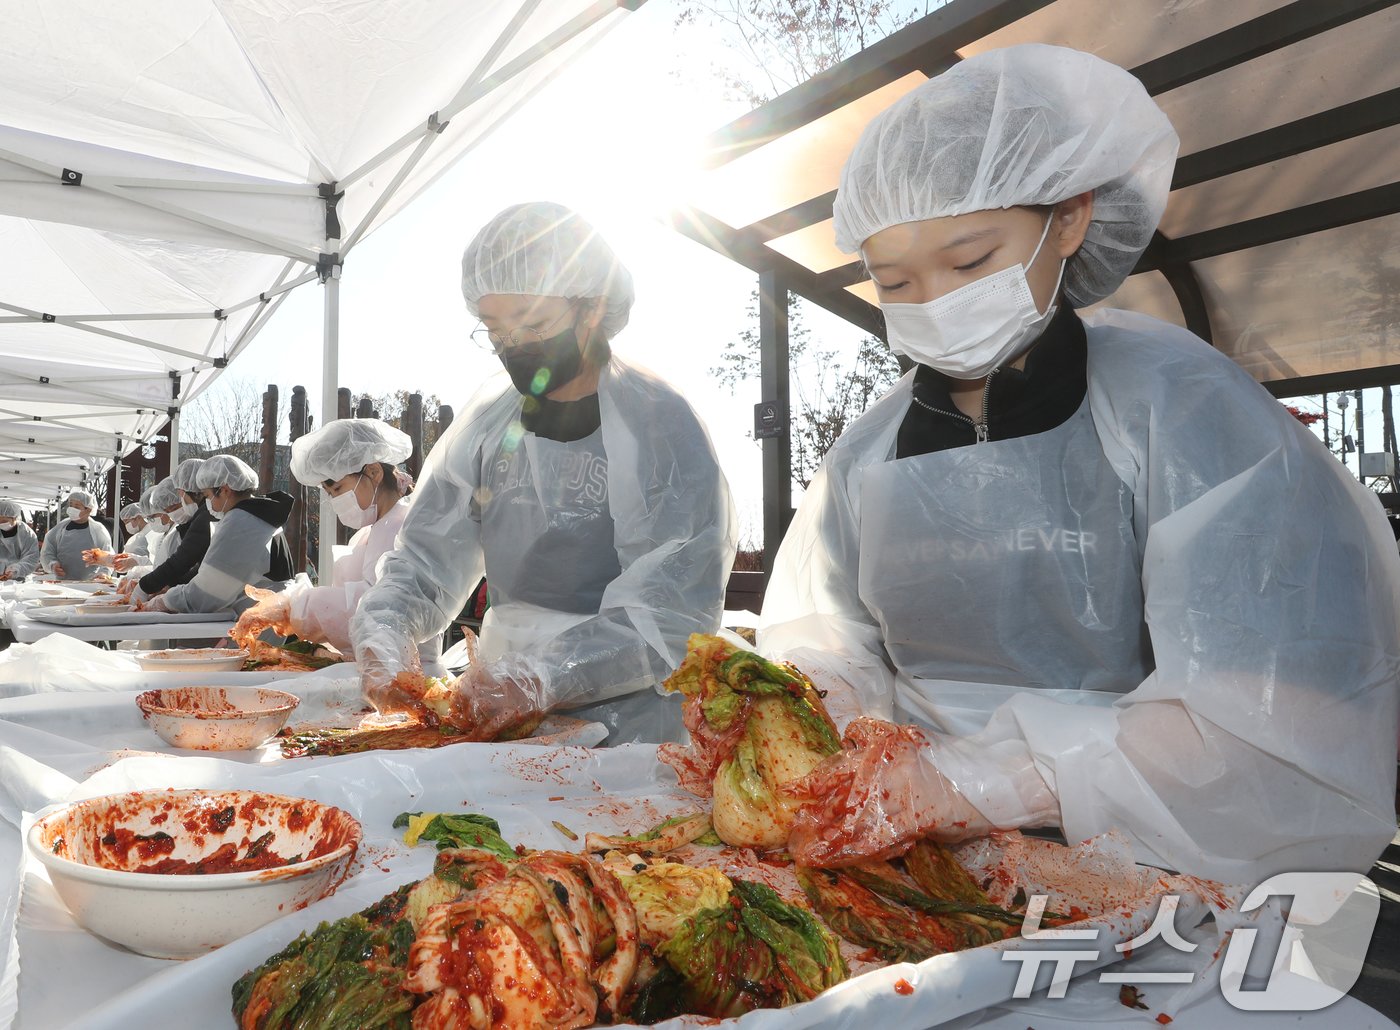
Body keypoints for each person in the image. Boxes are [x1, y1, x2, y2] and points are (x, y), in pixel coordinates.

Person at [759, 44, 1400, 884]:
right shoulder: (865, 456)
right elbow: (827, 635)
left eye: (969, 262)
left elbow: (1273, 708)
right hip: (895, 854)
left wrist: (986, 782)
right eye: (896, 282)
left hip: (1155, 851)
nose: (935, 304)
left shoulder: (1182, 409)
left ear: (1067, 219)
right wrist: (822, 712)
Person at [352, 202, 736, 744]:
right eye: (495, 330)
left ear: (593, 307)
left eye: (533, 323)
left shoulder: (656, 424)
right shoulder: (489, 424)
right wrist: (384, 631)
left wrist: (545, 675)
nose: (516, 347)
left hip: (632, 726)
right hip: (498, 707)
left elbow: (669, 613)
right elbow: (424, 563)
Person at [231, 418, 425, 656]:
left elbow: (376, 605)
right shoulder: (371, 531)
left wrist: (296, 606)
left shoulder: (403, 528)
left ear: (373, 472)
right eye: (330, 493)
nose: (335, 501)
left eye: (338, 489)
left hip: (406, 671)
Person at [142, 455, 295, 616]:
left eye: (207, 496)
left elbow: (207, 591)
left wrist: (166, 600)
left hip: (265, 621)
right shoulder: (256, 516)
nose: (208, 504)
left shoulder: (242, 521)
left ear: (225, 490)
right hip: (271, 614)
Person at [134, 458, 211, 601]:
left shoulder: (206, 517)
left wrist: (146, 586)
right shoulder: (199, 519)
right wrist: (171, 586)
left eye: (175, 507)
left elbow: (183, 560)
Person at [38, 489, 112, 580]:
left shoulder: (98, 530)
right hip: (62, 583)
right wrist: (52, 565)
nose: (72, 509)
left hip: (89, 584)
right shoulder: (60, 528)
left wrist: (103, 574)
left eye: (77, 506)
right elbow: (47, 552)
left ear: (88, 509)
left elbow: (108, 556)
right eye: (70, 505)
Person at [0, 501, 40, 580]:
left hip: (20, 579)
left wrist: (16, 570)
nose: (0, 523)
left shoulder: (27, 534)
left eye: (4, 521)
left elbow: (31, 558)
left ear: (14, 518)